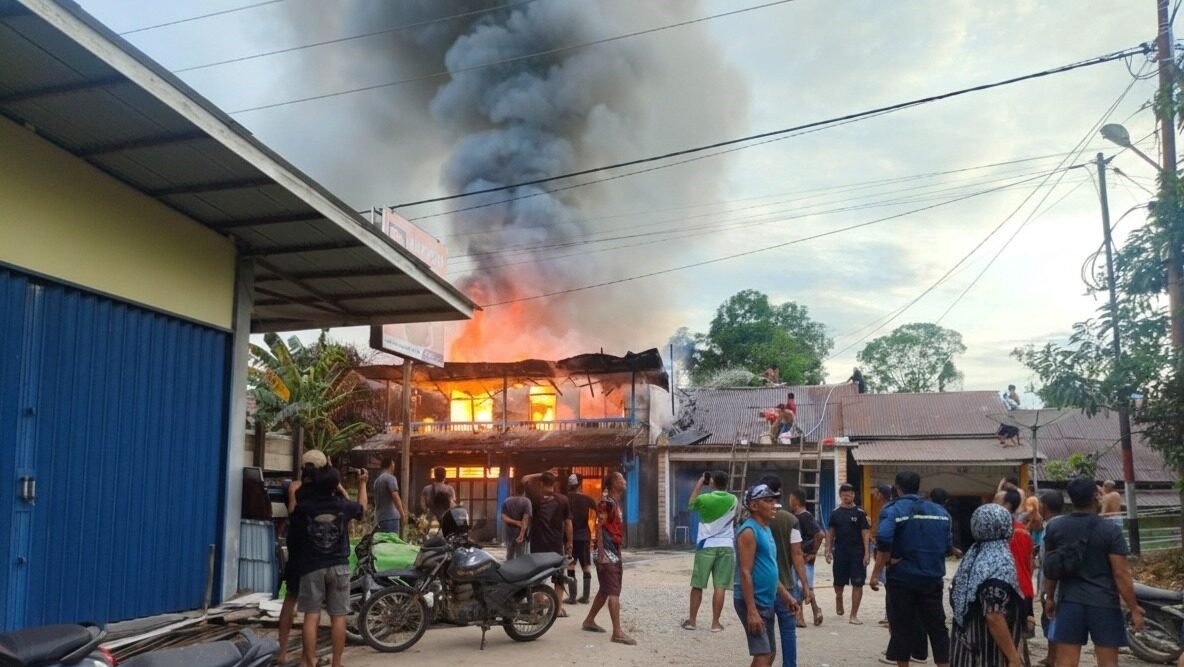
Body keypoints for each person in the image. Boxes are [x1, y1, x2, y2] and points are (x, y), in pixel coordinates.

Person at [1043, 478, 1144, 667]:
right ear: (1096, 496)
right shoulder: (1110, 530)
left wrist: (1049, 597)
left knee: (1066, 662)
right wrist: (1134, 609)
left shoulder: (1056, 527)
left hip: (1069, 601)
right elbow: (1120, 573)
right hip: (1104, 603)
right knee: (1107, 663)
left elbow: (1051, 568)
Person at [870, 470, 952, 667]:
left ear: (897, 488)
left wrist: (885, 565)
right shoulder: (941, 512)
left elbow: (883, 538)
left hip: (902, 579)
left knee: (901, 627)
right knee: (937, 627)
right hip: (932, 579)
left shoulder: (893, 510)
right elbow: (948, 547)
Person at [288, 465, 368, 667]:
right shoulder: (342, 505)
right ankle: (337, 663)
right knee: (338, 617)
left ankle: (309, 661)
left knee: (311, 616)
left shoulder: (305, 507)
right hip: (339, 566)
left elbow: (293, 517)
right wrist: (362, 484)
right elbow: (362, 509)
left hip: (312, 566)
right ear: (335, 485)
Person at [948, 504, 1024, 667]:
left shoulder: (973, 555)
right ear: (1005, 526)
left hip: (964, 650)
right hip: (987, 654)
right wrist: (1013, 656)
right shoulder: (998, 562)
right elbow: (993, 615)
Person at [735, 483, 801, 667]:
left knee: (768, 653)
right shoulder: (749, 531)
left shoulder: (766, 529)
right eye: (768, 501)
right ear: (754, 506)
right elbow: (745, 572)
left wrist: (787, 596)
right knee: (763, 655)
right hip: (752, 601)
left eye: (775, 501)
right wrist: (752, 611)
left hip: (765, 600)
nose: (774, 505)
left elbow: (770, 570)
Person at [277, 449, 331, 664]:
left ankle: (282, 652)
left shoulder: (294, 487)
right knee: (312, 606)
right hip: (315, 551)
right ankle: (308, 657)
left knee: (290, 598)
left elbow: (292, 511)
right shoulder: (324, 491)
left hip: (297, 547)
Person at [760, 475, 811, 667]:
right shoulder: (790, 520)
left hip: (763, 588)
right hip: (787, 586)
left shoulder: (755, 519)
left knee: (766, 637)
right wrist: (805, 585)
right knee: (788, 634)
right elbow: (797, 554)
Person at [581, 472, 636, 645]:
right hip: (607, 553)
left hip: (612, 551)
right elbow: (598, 528)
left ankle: (589, 621)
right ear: (613, 484)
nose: (624, 481)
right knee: (613, 591)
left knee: (605, 589)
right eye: (620, 479)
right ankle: (617, 632)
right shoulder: (606, 503)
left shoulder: (614, 503)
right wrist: (602, 554)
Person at [684, 470, 737, 631]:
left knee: (698, 584)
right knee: (720, 586)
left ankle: (692, 622)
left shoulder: (705, 498)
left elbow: (691, 504)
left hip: (706, 545)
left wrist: (700, 484)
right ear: (726, 483)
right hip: (726, 545)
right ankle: (715, 623)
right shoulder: (734, 500)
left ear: (712, 483)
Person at [523, 470, 573, 618]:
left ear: (541, 483)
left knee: (537, 577)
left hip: (538, 544)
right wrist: (569, 543)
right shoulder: (563, 500)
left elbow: (524, 478)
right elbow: (568, 524)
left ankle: (539, 607)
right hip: (556, 545)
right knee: (559, 578)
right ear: (555, 484)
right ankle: (557, 610)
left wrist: (538, 474)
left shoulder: (535, 497)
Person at [825, 483, 871, 625]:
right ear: (840, 496)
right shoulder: (835, 513)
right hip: (840, 552)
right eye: (844, 494)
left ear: (853, 495)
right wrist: (827, 549)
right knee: (839, 583)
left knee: (858, 583)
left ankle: (853, 615)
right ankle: (839, 597)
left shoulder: (860, 513)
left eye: (849, 494)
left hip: (857, 553)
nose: (847, 497)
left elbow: (865, 533)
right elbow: (831, 533)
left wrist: (867, 553)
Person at [995, 488, 1035, 638]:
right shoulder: (1023, 531)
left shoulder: (997, 531)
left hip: (1004, 591)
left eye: (996, 501)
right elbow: (1030, 564)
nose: (993, 504)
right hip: (1024, 590)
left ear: (1008, 505)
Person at [1035, 490, 1064, 667]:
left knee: (1051, 618)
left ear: (1044, 506)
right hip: (1055, 582)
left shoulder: (1051, 528)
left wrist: (1047, 592)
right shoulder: (1060, 524)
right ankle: (1051, 655)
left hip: (1052, 584)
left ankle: (1055, 658)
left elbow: (1048, 562)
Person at [788, 489, 824, 627]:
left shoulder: (804, 516)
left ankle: (803, 615)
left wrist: (813, 552)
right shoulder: (795, 516)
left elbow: (820, 535)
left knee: (802, 586)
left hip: (804, 557)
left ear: (796, 500)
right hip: (799, 556)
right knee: (802, 586)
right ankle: (810, 612)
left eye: (791, 499)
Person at [566, 473, 598, 603]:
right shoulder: (588, 499)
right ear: (580, 484)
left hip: (570, 537)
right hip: (584, 536)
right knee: (586, 566)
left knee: (571, 565)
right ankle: (585, 597)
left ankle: (572, 597)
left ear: (569, 485)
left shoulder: (565, 499)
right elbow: (598, 516)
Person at [501, 478, 532, 560]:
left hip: (509, 533)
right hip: (521, 534)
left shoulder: (507, 501)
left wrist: (515, 522)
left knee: (509, 555)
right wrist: (522, 534)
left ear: (514, 490)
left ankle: (508, 571)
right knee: (521, 556)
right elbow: (525, 520)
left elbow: (504, 517)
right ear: (524, 491)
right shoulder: (526, 501)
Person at [373, 456, 405, 534]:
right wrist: (402, 513)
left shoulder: (377, 481)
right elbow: (395, 496)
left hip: (380, 518)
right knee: (392, 543)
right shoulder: (390, 478)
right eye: (393, 464)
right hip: (391, 517)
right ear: (391, 465)